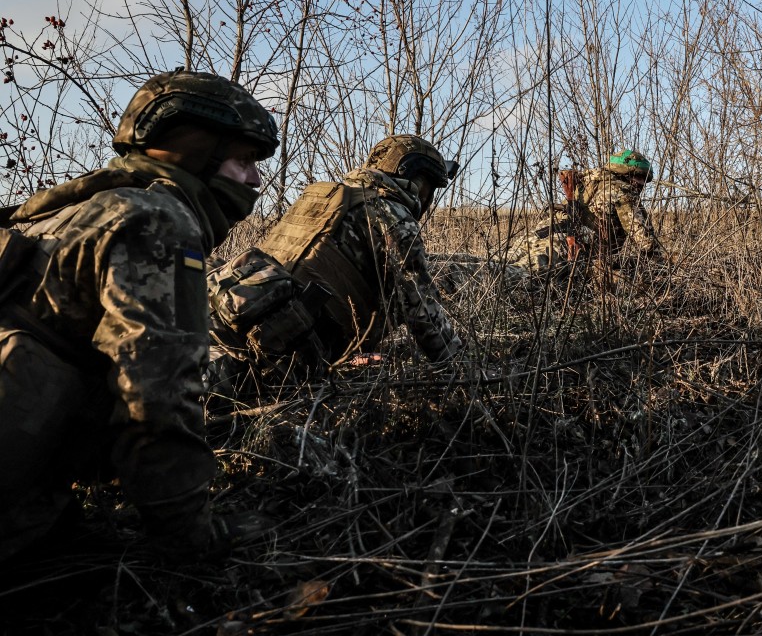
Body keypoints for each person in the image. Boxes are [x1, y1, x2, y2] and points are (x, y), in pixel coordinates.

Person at [0, 69, 279, 562]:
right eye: (242, 161)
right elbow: (156, 398)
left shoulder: (60, 211)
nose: (255, 179)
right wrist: (190, 537)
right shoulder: (157, 221)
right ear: (194, 151)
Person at [208, 134, 463, 375]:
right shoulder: (392, 216)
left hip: (231, 315)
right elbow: (421, 308)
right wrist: (463, 369)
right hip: (287, 348)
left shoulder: (322, 195)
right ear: (417, 179)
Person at [509, 148, 663, 276]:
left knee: (501, 261)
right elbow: (645, 241)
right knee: (513, 275)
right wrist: (662, 266)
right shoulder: (623, 192)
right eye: (639, 177)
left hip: (539, 233)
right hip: (565, 244)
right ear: (626, 173)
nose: (641, 183)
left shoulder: (587, 182)